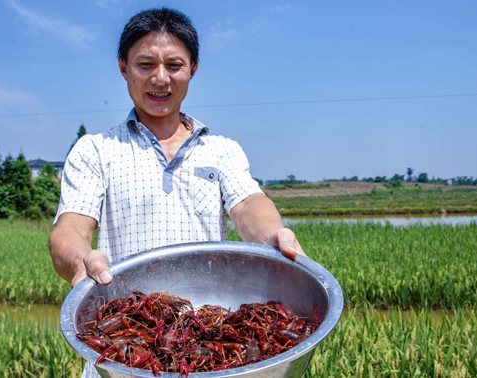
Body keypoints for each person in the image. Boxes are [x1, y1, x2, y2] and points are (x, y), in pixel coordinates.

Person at [49, 7, 305, 376]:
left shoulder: (222, 150)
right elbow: (71, 229)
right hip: (127, 341)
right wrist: (79, 261)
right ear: (123, 67)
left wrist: (274, 235)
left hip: (201, 341)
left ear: (193, 69)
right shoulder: (95, 150)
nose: (160, 78)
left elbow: (250, 206)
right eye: (145, 65)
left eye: (174, 65)